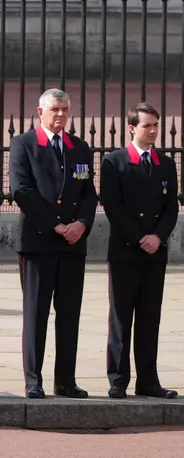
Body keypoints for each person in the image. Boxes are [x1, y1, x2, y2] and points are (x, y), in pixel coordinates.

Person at [9, 87, 96, 399]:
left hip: (73, 243)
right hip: (39, 241)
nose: (60, 115)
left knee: (70, 313)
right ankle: (34, 379)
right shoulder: (24, 143)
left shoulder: (79, 147)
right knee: (37, 313)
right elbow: (21, 190)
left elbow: (89, 193)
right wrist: (57, 224)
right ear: (40, 112)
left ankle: (66, 380)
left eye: (64, 110)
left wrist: (81, 223)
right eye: (55, 109)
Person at [99, 103, 178, 399]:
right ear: (132, 127)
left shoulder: (166, 164)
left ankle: (148, 380)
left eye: (156, 125)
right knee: (121, 316)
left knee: (149, 316)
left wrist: (157, 236)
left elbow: (171, 208)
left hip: (155, 253)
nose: (153, 131)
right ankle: (118, 379)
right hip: (125, 250)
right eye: (147, 125)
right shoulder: (115, 162)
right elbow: (112, 205)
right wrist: (139, 237)